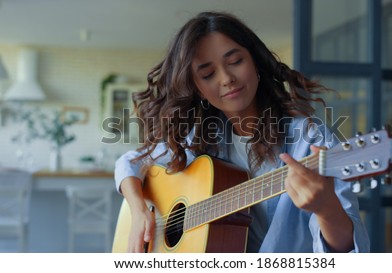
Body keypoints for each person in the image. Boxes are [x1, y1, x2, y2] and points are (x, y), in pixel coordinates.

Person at [114, 11, 370, 253]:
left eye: (235, 61)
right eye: (208, 73)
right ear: (197, 88)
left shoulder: (311, 141)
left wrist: (327, 209)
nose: (226, 78)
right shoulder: (194, 139)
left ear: (255, 62)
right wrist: (139, 212)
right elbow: (130, 163)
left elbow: (349, 252)